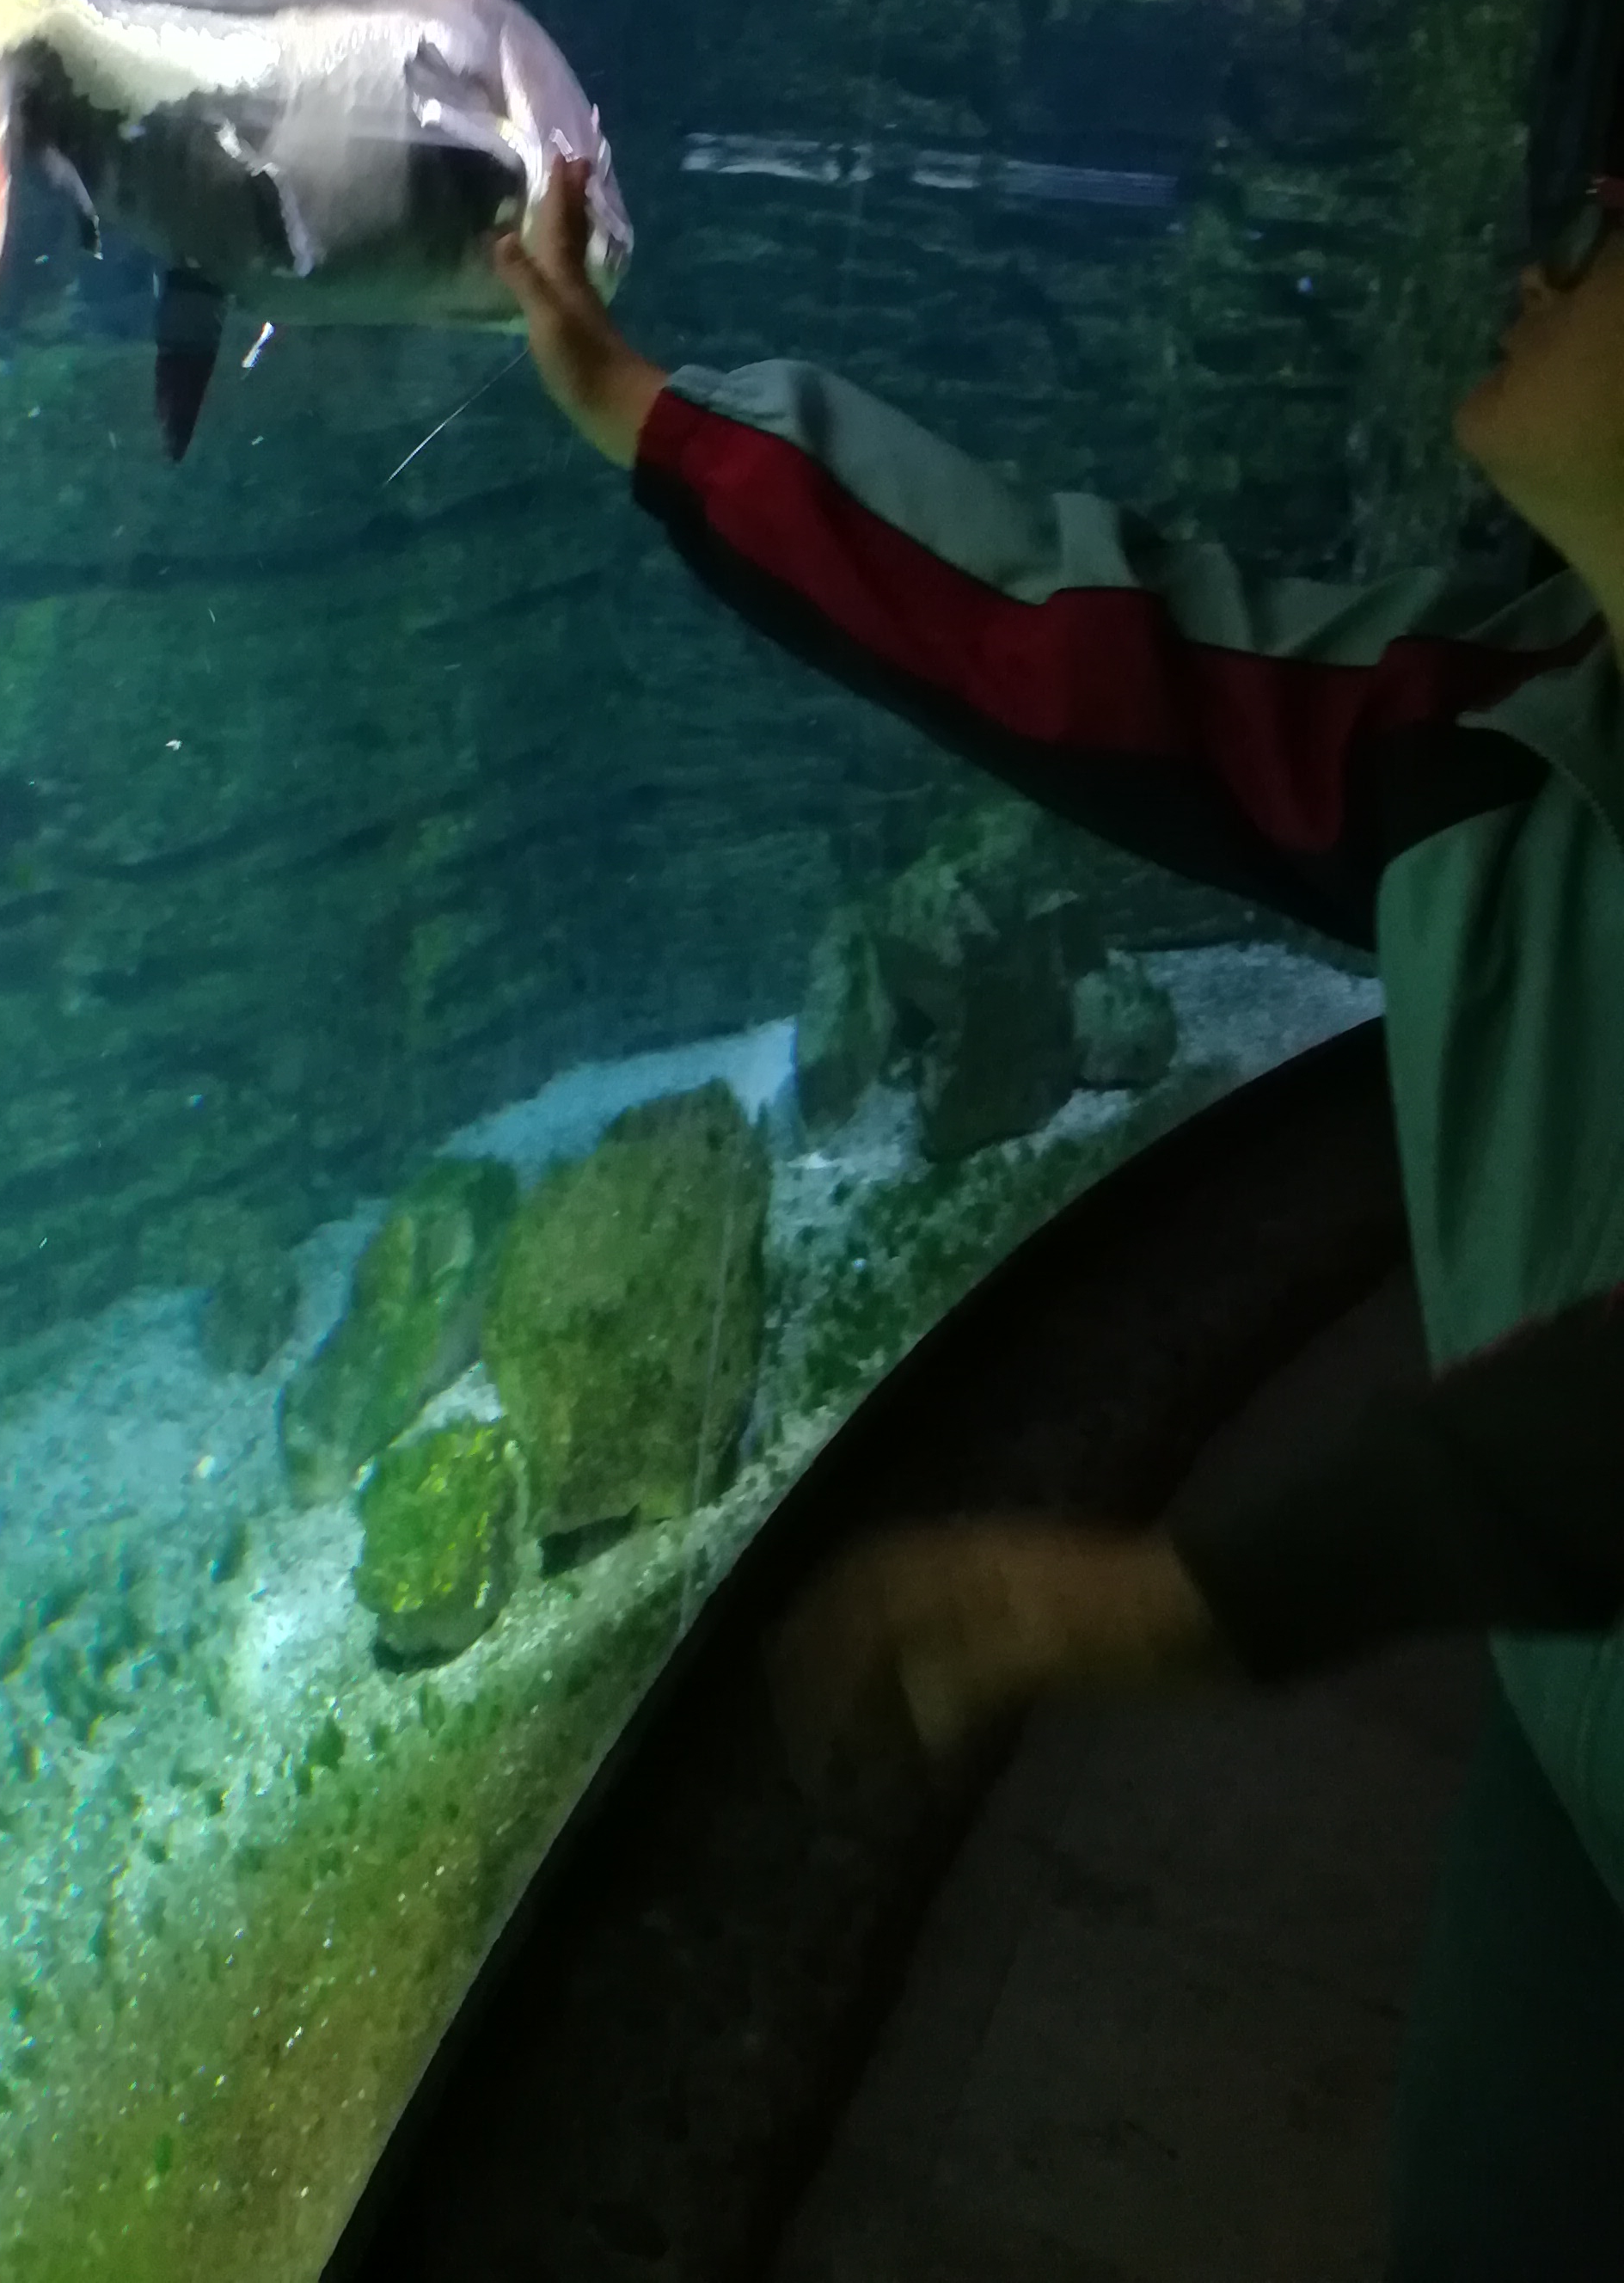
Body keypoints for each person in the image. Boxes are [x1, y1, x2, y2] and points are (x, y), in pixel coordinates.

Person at [494, 156, 1624, 2276]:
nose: (1550, 232)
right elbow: (1084, 642)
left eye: (1617, 218)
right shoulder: (1493, 739)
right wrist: (659, 422)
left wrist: (1200, 1593)